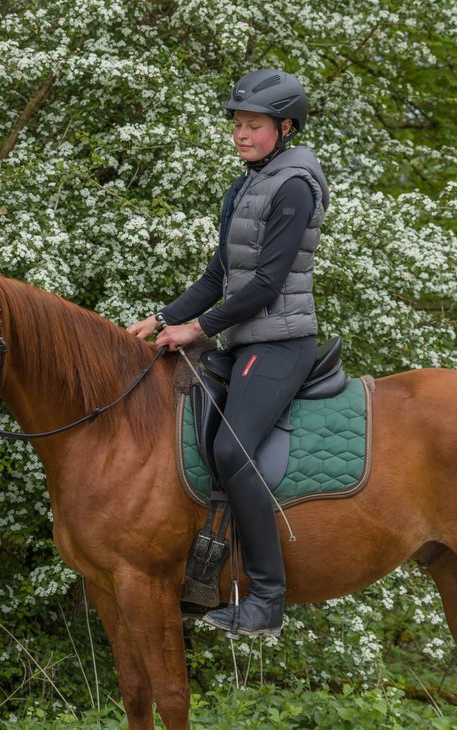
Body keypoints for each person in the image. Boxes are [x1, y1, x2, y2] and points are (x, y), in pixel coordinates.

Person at [128, 69, 329, 638]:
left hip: (282, 342)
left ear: (284, 127)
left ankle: (267, 599)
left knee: (233, 451)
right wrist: (164, 317)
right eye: (237, 125)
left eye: (254, 126)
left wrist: (197, 329)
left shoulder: (293, 185)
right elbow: (220, 274)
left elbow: (266, 286)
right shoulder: (244, 185)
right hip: (244, 341)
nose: (241, 134)